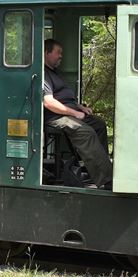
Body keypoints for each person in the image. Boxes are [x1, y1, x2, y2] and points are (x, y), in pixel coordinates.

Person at [42, 38, 112, 188]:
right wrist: (75, 113)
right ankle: (106, 180)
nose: (61, 56)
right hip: (56, 117)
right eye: (58, 52)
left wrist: (80, 107)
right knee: (85, 132)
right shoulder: (43, 74)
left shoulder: (55, 73)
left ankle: (94, 170)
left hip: (70, 112)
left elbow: (65, 98)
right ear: (46, 53)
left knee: (99, 125)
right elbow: (49, 102)